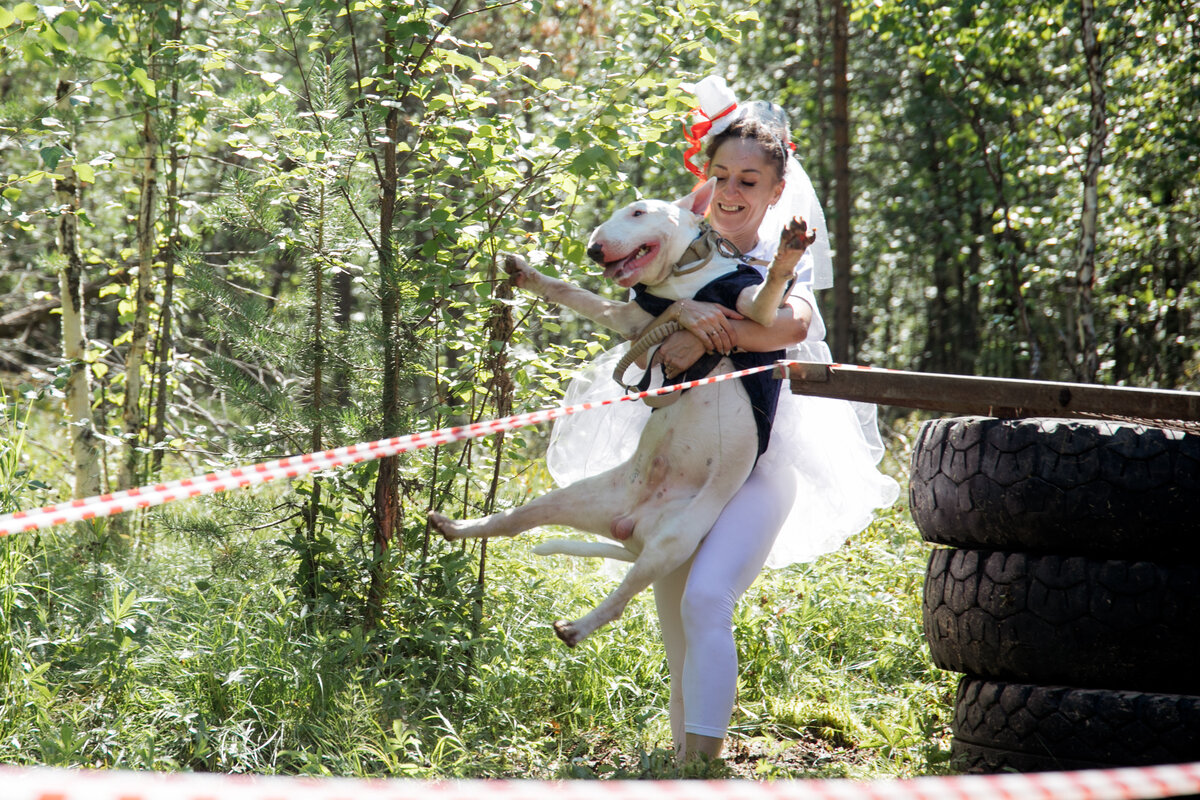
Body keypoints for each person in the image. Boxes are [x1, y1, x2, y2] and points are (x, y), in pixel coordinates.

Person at [545, 76, 900, 761]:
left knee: (708, 598)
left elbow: (788, 325)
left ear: (776, 189)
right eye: (721, 177)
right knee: (676, 620)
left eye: (749, 180)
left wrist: (719, 331)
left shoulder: (774, 261)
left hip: (761, 466)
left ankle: (706, 767)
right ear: (705, 183)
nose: (732, 193)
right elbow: (627, 314)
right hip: (680, 463)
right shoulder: (681, 252)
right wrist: (679, 316)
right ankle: (681, 763)